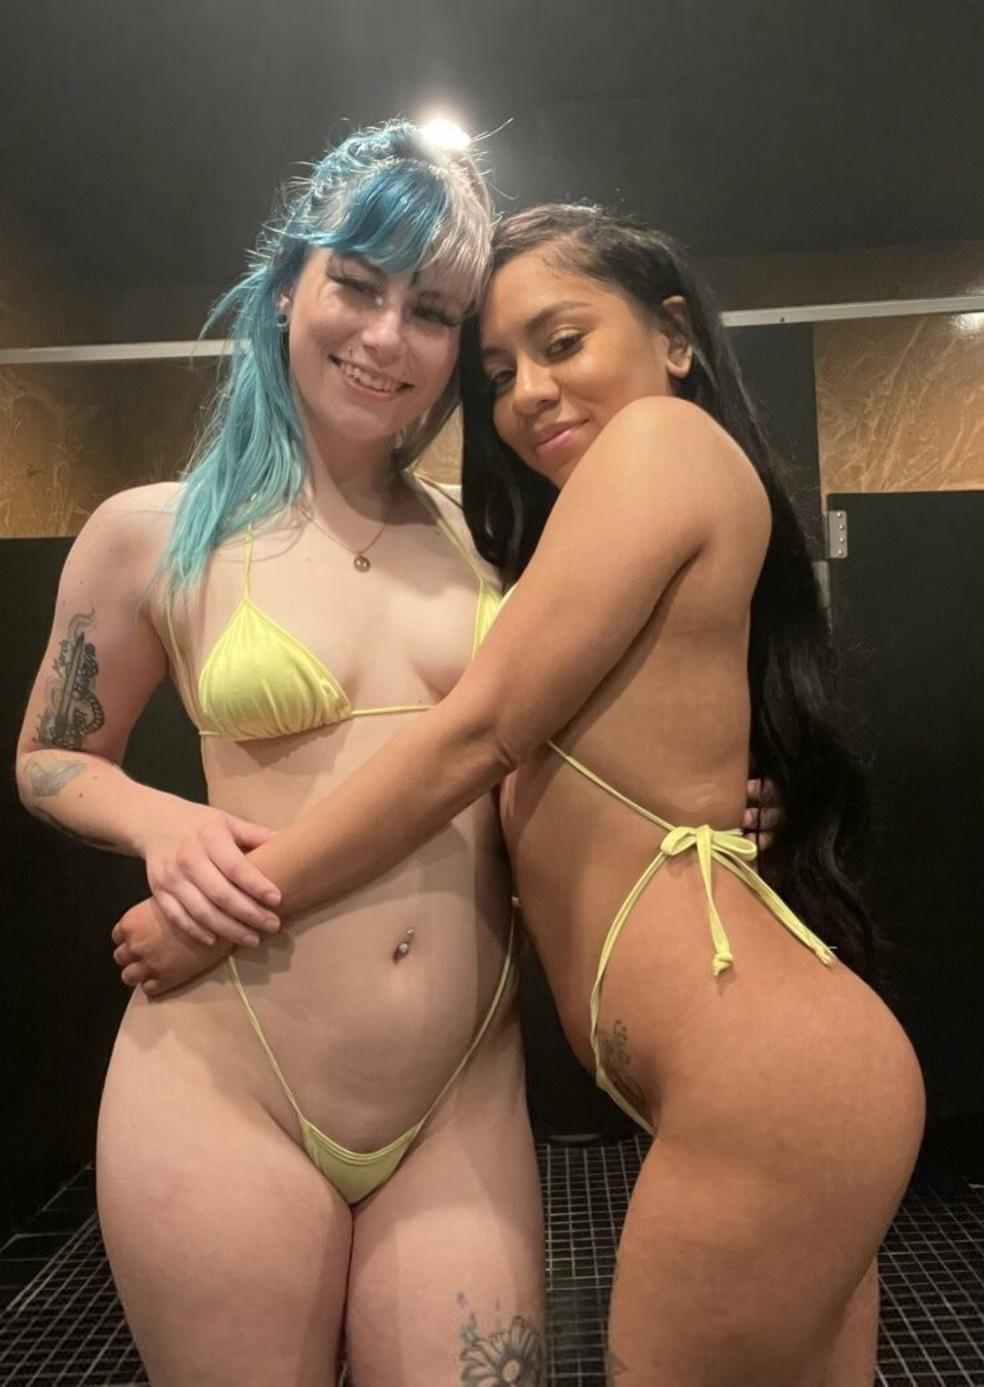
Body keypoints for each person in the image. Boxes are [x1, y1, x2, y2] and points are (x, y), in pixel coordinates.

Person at [113, 202, 925, 1385]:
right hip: (786, 1085)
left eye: (562, 341)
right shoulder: (599, 515)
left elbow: (476, 734)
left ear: (676, 337)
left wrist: (223, 908)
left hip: (770, 1092)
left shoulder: (659, 442)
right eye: (497, 372)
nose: (528, 393)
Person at [15, 121, 549, 1387]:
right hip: (224, 1081)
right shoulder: (154, 534)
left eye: (430, 311)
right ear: (284, 290)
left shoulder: (496, 545)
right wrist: (161, 823)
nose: (386, 336)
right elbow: (48, 757)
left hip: (461, 1092)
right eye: (356, 285)